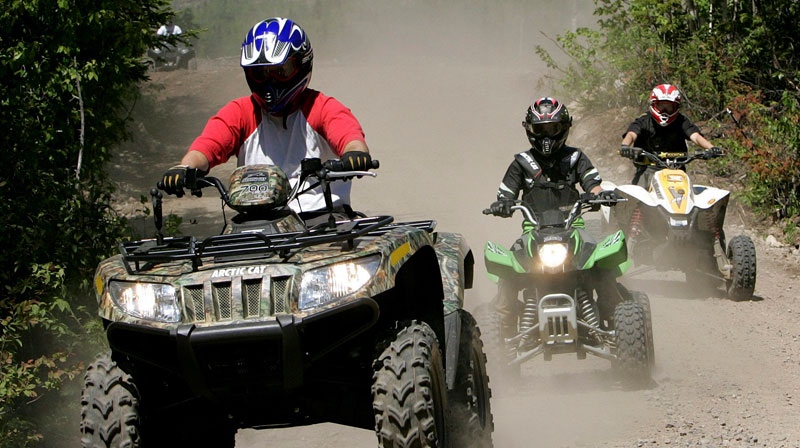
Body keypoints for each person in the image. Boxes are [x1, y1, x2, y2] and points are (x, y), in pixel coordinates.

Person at [160, 17, 372, 225]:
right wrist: (184, 168)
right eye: (260, 73)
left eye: (281, 72)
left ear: (301, 65)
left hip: (322, 219)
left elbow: (349, 137)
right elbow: (207, 147)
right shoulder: (241, 112)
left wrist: (355, 154)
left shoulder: (322, 107)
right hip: (256, 223)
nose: (270, 81)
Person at [488, 97, 622, 341]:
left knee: (602, 264)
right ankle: (501, 336)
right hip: (533, 229)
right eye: (540, 130)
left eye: (552, 129)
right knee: (508, 271)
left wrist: (600, 196)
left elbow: (593, 184)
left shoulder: (575, 158)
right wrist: (502, 204)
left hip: (574, 226)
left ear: (564, 127)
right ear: (530, 130)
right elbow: (506, 193)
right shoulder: (521, 163)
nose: (546, 136)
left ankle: (618, 324)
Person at [620, 83, 722, 187]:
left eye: (669, 107)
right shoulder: (644, 120)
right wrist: (625, 147)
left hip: (677, 169)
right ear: (653, 104)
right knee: (639, 196)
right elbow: (632, 134)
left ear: (676, 107)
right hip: (648, 168)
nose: (664, 112)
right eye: (661, 106)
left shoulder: (681, 120)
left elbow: (695, 136)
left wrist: (711, 148)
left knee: (686, 196)